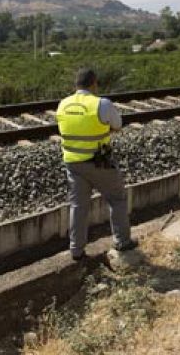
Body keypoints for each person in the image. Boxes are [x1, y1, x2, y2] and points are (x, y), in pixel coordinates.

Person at [56, 68, 137, 261]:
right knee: (116, 199)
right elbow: (117, 125)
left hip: (73, 163)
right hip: (99, 162)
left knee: (78, 206)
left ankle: (76, 250)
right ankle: (122, 242)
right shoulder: (102, 103)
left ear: (76, 85)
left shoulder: (63, 104)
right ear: (94, 84)